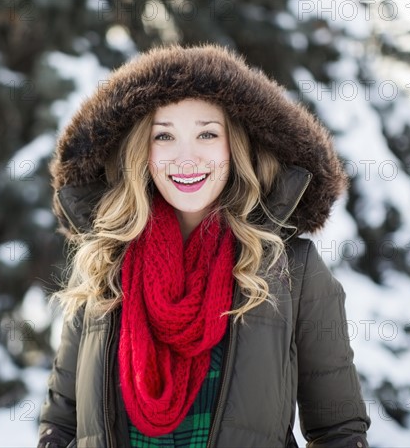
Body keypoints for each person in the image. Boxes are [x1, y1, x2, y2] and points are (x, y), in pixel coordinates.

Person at [38, 44, 370, 448]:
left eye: (207, 133)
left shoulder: (292, 271)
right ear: (141, 150)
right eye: (164, 136)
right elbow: (61, 427)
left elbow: (339, 431)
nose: (186, 157)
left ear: (236, 146)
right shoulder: (102, 266)